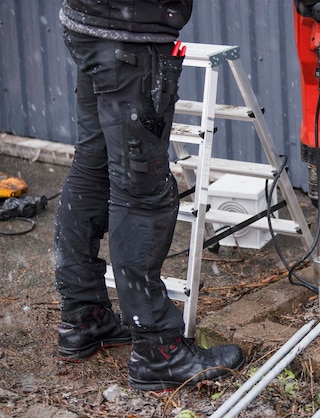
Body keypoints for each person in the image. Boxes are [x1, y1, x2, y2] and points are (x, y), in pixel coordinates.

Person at [55, 0, 244, 391]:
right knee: (142, 192)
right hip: (129, 38)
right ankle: (158, 349)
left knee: (94, 165)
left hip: (89, 24)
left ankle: (84, 317)